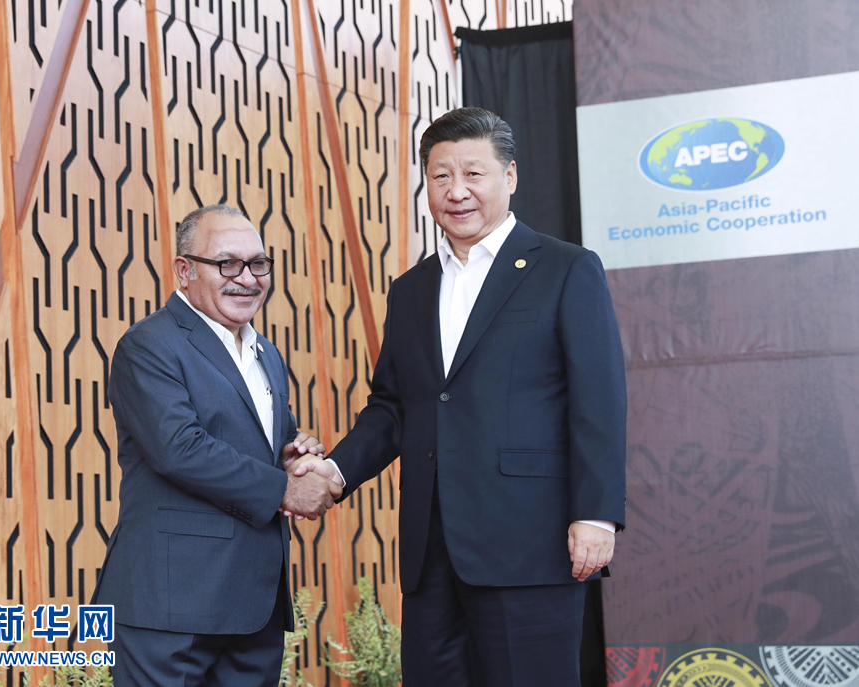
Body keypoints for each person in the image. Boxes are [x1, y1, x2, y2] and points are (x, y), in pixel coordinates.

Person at [292, 107, 627, 686]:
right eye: (441, 176)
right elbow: (394, 407)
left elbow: (598, 402)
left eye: (473, 173)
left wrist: (596, 515)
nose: (456, 191)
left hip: (530, 544)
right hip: (432, 551)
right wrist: (334, 471)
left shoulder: (566, 269)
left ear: (509, 176)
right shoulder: (411, 290)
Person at [91, 204, 341, 686]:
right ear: (184, 271)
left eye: (258, 264)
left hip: (254, 603)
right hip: (173, 604)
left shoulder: (266, 353)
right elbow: (179, 448)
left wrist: (293, 452)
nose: (247, 278)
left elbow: (263, 438)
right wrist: (285, 489)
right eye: (227, 264)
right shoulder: (149, 344)